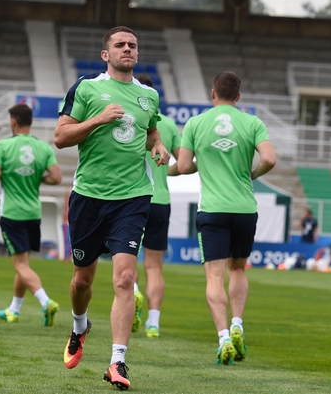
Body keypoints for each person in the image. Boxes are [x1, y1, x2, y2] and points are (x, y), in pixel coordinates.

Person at [54, 25, 169, 390]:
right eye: (119, 44)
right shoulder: (86, 89)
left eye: (133, 45)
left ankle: (118, 361)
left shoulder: (149, 96)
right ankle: (79, 325)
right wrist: (97, 119)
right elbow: (60, 137)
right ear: (106, 54)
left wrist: (159, 145)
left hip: (132, 197)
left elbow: (150, 130)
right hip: (89, 196)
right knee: (82, 280)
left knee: (125, 278)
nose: (127, 49)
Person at [177, 71, 276, 365]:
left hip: (213, 208)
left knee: (214, 276)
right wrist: (251, 174)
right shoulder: (252, 122)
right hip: (245, 208)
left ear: (212, 94)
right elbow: (269, 159)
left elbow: (182, 166)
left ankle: (223, 338)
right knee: (238, 269)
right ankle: (237, 324)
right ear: (238, 96)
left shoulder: (196, 123)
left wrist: (203, 161)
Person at [0, 104, 62, 326]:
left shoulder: (3, 146)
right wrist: (37, 178)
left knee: (20, 265)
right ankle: (14, 309)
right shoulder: (42, 147)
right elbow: (56, 178)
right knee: (24, 263)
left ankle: (45, 301)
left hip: (12, 213)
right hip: (33, 213)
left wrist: (8, 174)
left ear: (13, 122)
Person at [131, 74, 182, 339]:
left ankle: (135, 296)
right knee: (154, 267)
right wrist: (165, 174)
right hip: (160, 200)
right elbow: (181, 163)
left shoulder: (133, 119)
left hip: (133, 197)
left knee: (127, 262)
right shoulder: (170, 125)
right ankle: (154, 322)